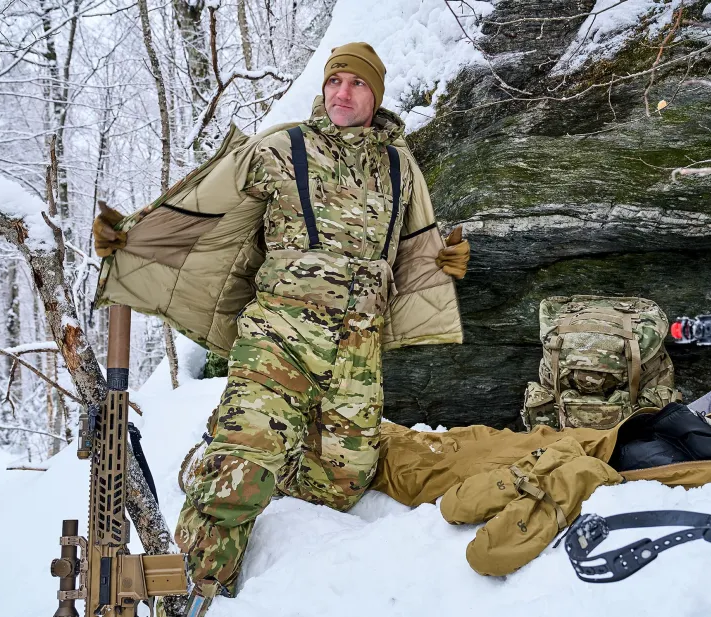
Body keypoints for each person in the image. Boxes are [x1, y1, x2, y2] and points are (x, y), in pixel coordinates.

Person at [93, 42, 470, 611]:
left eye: (356, 83)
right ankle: (192, 590)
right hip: (279, 340)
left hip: (357, 353)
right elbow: (204, 200)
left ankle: (245, 448)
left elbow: (409, 247)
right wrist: (134, 232)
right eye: (334, 81)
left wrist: (442, 262)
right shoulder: (284, 147)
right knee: (239, 477)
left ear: (375, 95)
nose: (342, 93)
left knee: (342, 483)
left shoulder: (401, 167)